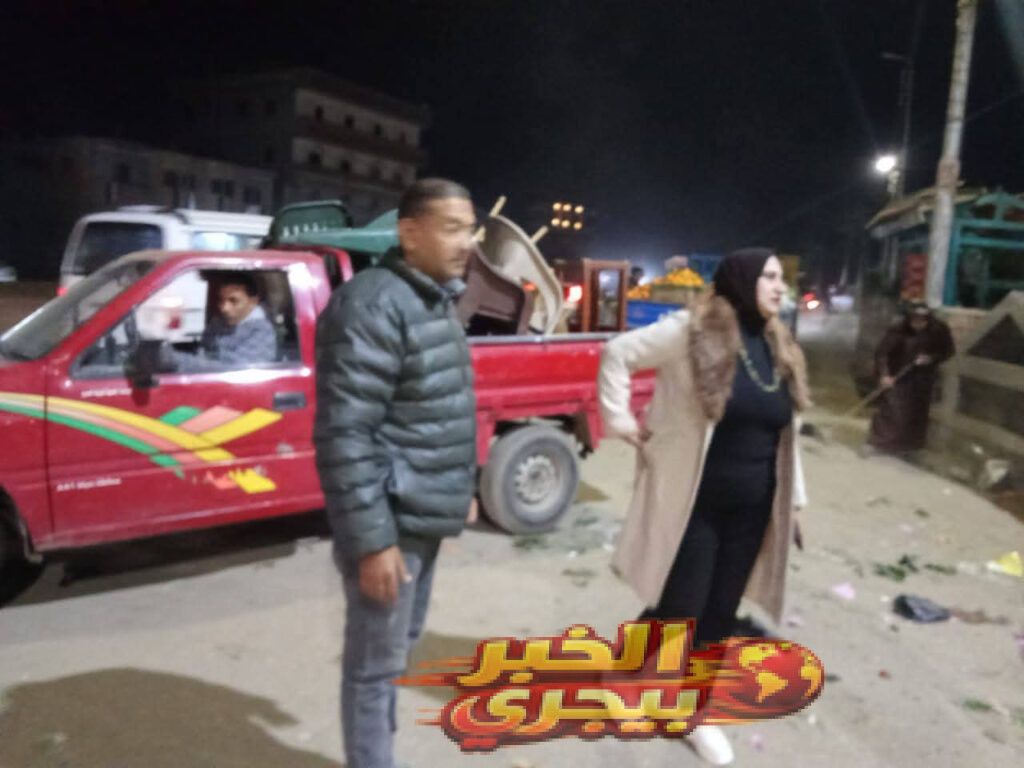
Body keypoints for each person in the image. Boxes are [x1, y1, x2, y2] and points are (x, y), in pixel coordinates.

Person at [598, 248, 810, 766]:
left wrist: (796, 501)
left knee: (719, 613)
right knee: (682, 609)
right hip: (693, 501)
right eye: (769, 277)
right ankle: (640, 677)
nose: (780, 287)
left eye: (781, 279)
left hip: (753, 507)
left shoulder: (779, 344)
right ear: (742, 279)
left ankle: (691, 711)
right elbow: (617, 352)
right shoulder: (691, 331)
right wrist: (619, 419)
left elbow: (786, 435)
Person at [313, 178, 478, 768]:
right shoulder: (372, 305)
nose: (467, 243)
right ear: (410, 233)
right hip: (391, 525)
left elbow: (437, 411)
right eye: (452, 228)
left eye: (471, 230)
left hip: (420, 516)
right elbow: (345, 434)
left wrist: (461, 488)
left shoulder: (433, 299)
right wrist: (373, 543)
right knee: (374, 667)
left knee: (396, 652)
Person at [867, 301, 954, 455]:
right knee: (892, 409)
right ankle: (878, 443)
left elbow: (948, 351)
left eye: (922, 321)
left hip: (923, 376)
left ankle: (910, 446)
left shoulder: (939, 329)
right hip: (896, 374)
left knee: (917, 411)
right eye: (915, 320)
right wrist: (885, 375)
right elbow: (882, 353)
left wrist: (931, 358)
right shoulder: (898, 330)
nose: (918, 324)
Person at [167, 273, 278, 371]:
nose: (224, 308)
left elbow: (231, 369)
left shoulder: (262, 332)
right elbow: (204, 351)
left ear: (253, 302)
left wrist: (176, 360)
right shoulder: (218, 323)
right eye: (221, 300)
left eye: (233, 301)